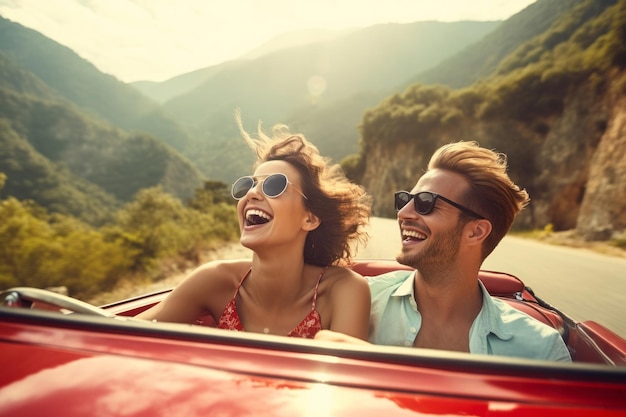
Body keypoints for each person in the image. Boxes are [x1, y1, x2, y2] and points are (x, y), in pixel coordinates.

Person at [316, 141, 572, 362]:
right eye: (405, 200)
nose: (403, 213)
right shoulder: (357, 302)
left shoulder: (540, 350)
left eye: (426, 203)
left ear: (476, 232)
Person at [138, 115, 372, 339]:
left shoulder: (343, 290)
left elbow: (344, 372)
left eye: (275, 185)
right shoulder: (214, 280)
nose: (251, 193)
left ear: (310, 219)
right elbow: (125, 331)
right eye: (248, 185)